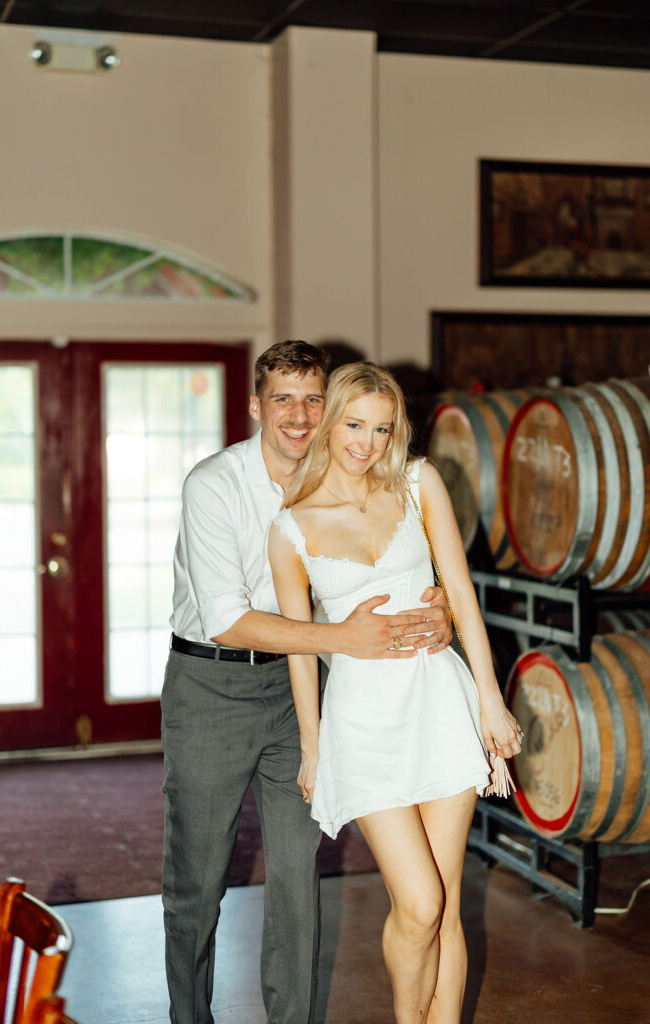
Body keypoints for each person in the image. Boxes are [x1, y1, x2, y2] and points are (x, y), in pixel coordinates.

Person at [161, 341, 454, 1024]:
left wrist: (433, 614)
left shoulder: (347, 480)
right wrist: (343, 639)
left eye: (313, 398)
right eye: (283, 399)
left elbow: (384, 571)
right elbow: (228, 620)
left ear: (332, 406)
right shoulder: (214, 484)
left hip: (305, 695)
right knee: (198, 880)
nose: (298, 415)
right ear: (255, 405)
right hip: (211, 687)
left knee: (296, 878)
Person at [269, 361, 523, 1024]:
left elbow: (461, 593)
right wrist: (311, 745)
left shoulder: (418, 482)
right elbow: (300, 644)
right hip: (361, 722)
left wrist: (488, 699)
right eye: (354, 424)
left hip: (440, 701)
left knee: (444, 905)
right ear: (330, 424)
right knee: (417, 902)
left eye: (382, 429)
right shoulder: (290, 527)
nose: (366, 442)